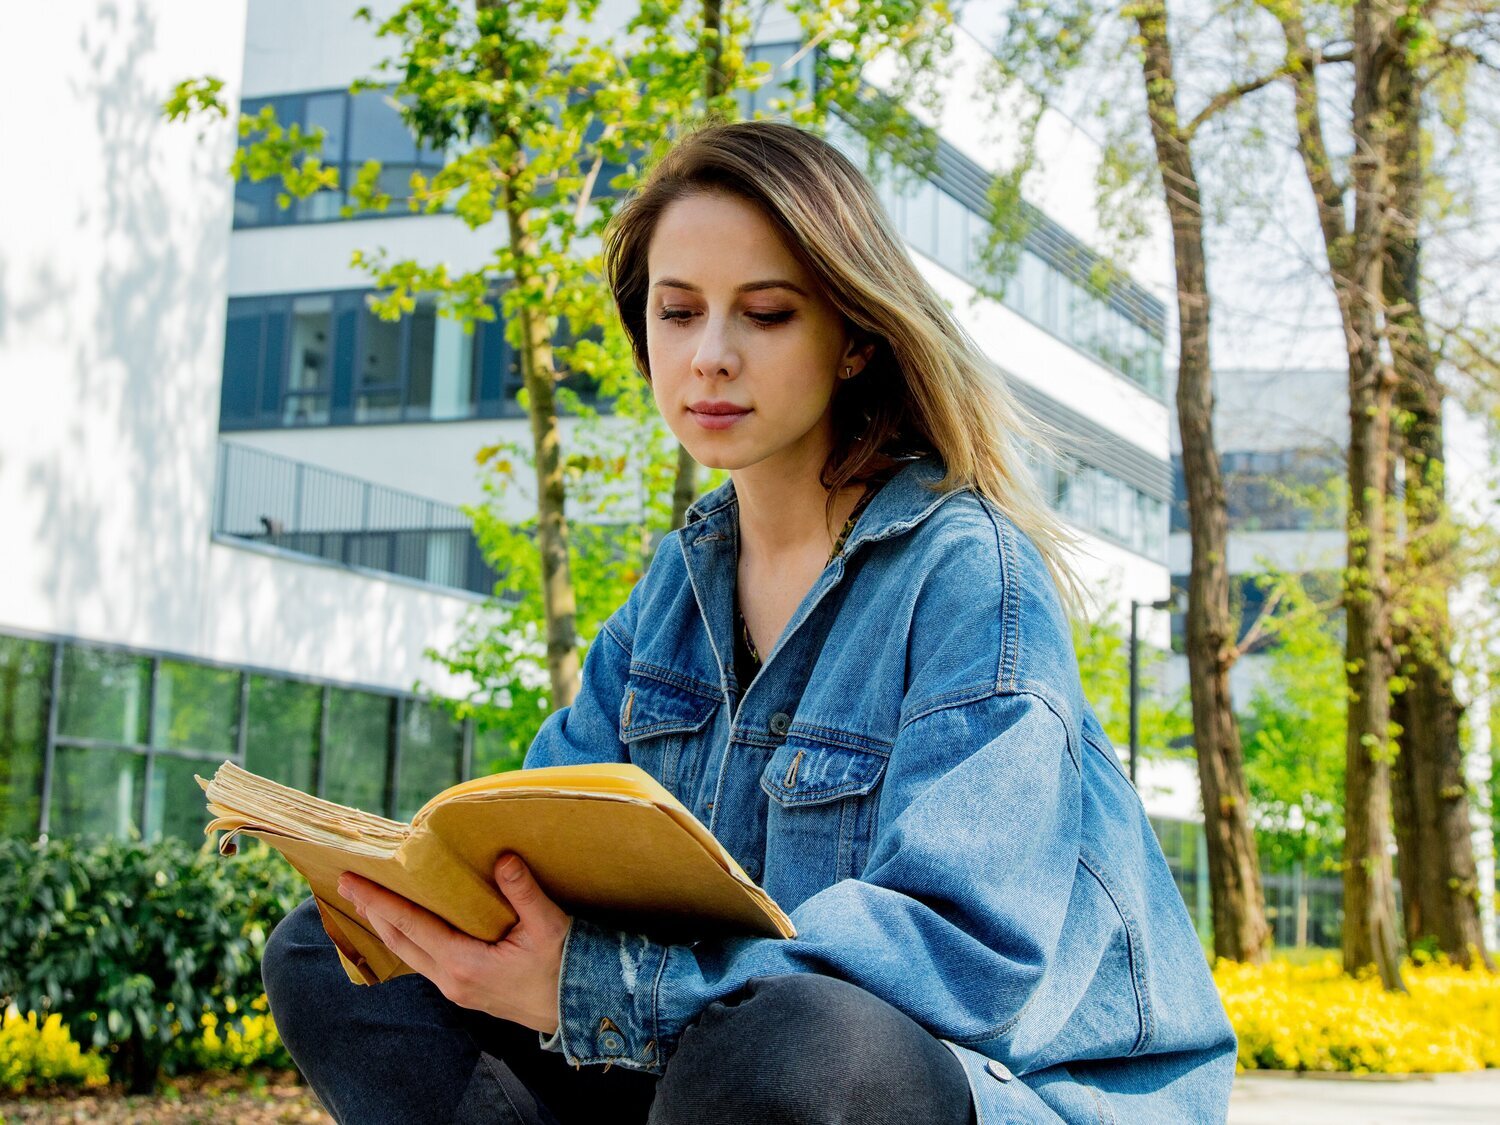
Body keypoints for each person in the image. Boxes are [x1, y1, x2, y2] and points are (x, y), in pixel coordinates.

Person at [262, 119, 1237, 1124]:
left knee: (797, 1037)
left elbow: (959, 957)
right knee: (335, 958)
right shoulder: (676, 589)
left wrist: (603, 989)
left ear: (855, 338)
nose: (710, 357)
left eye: (765, 314)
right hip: (710, 1069)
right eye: (678, 312)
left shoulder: (970, 576)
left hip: (1000, 1090)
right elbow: (531, 846)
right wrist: (436, 907)